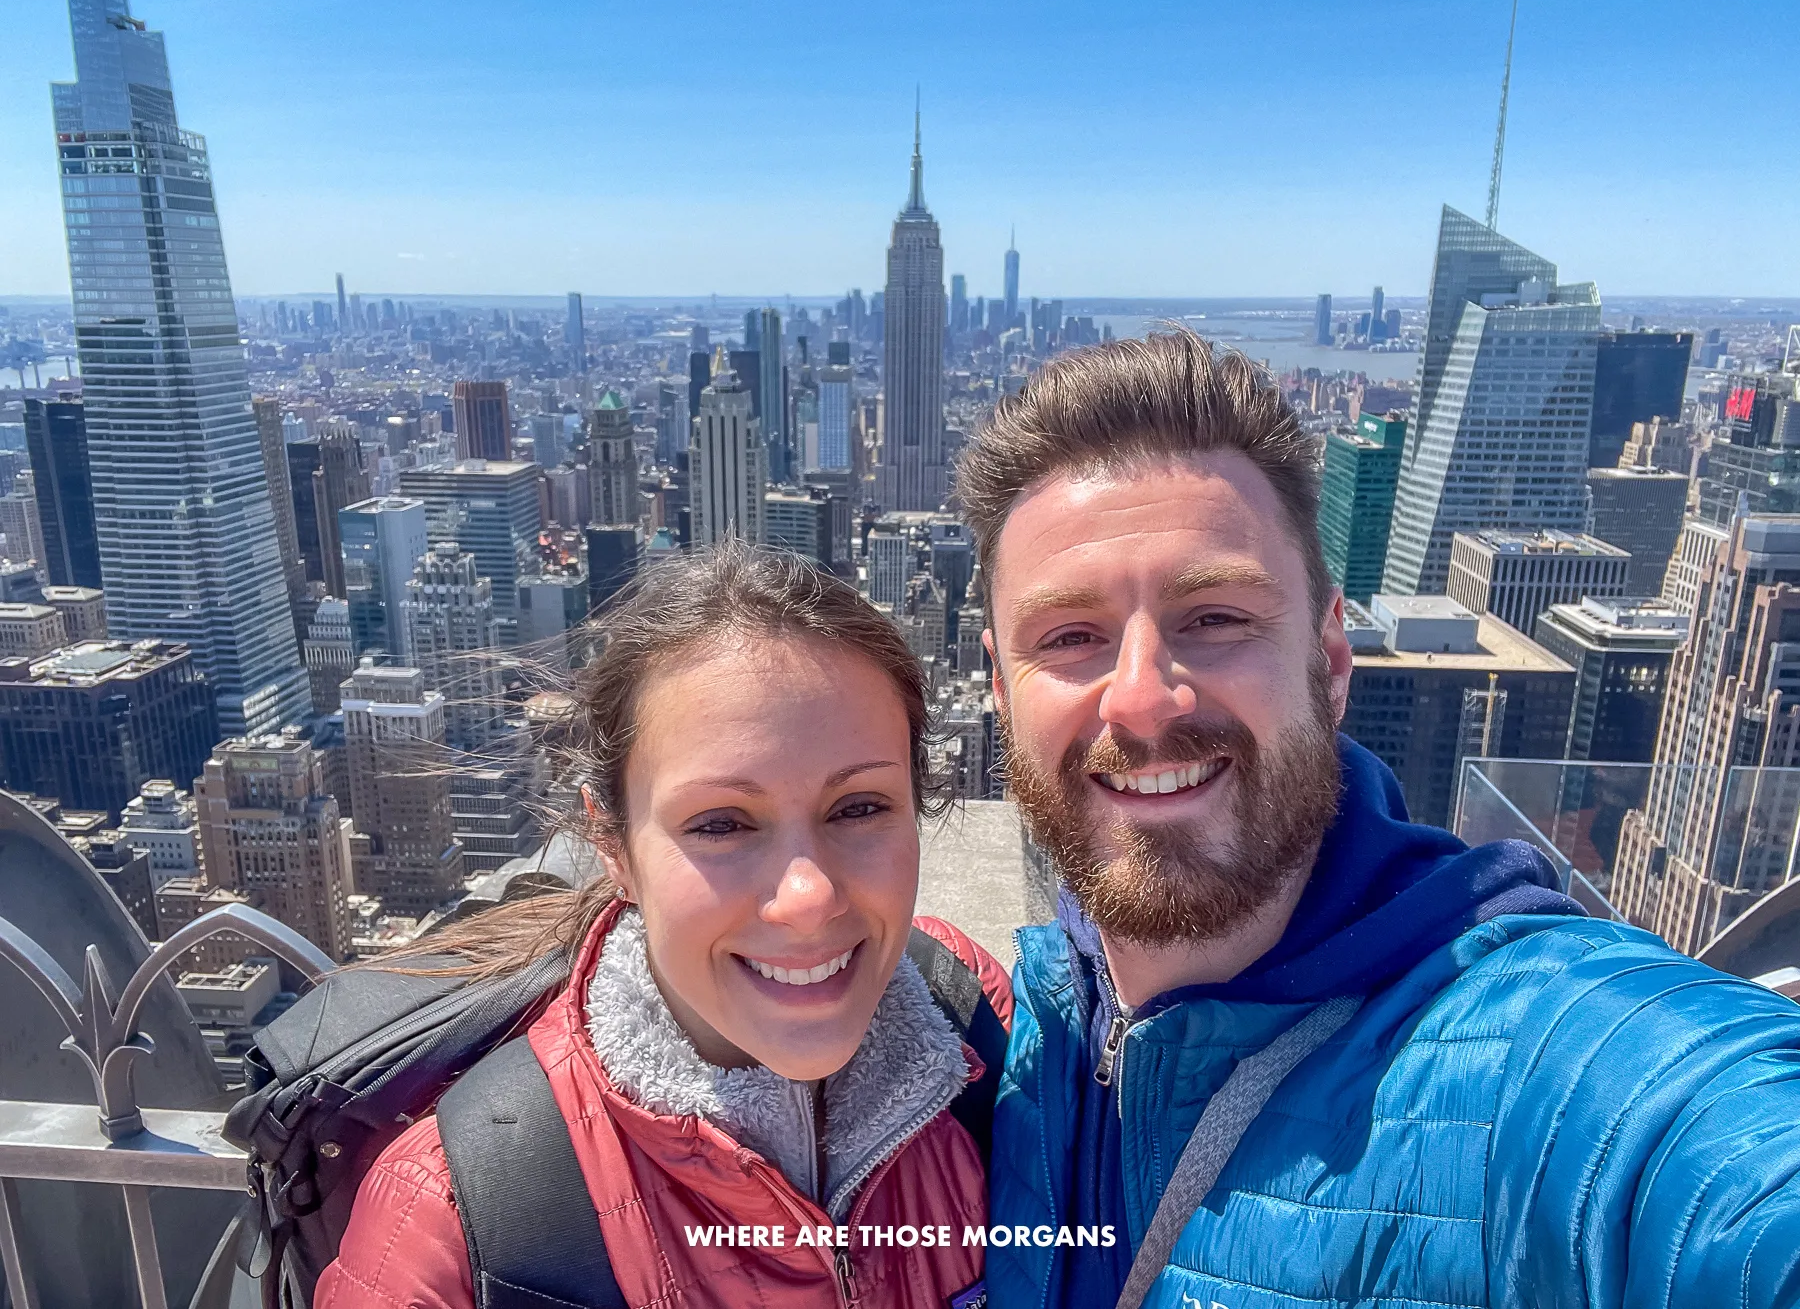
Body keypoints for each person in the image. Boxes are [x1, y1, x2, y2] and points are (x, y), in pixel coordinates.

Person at [961, 328, 1800, 1309]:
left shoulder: (1530, 1052)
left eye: (1217, 618)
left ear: (1333, 661)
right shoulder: (1007, 1048)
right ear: (1000, 689)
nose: (1141, 699)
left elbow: (1720, 1171)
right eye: (1071, 638)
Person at [315, 541, 1009, 1309]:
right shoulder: (457, 1225)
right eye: (721, 824)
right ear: (613, 847)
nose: (807, 895)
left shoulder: (981, 1024)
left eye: (860, 807)